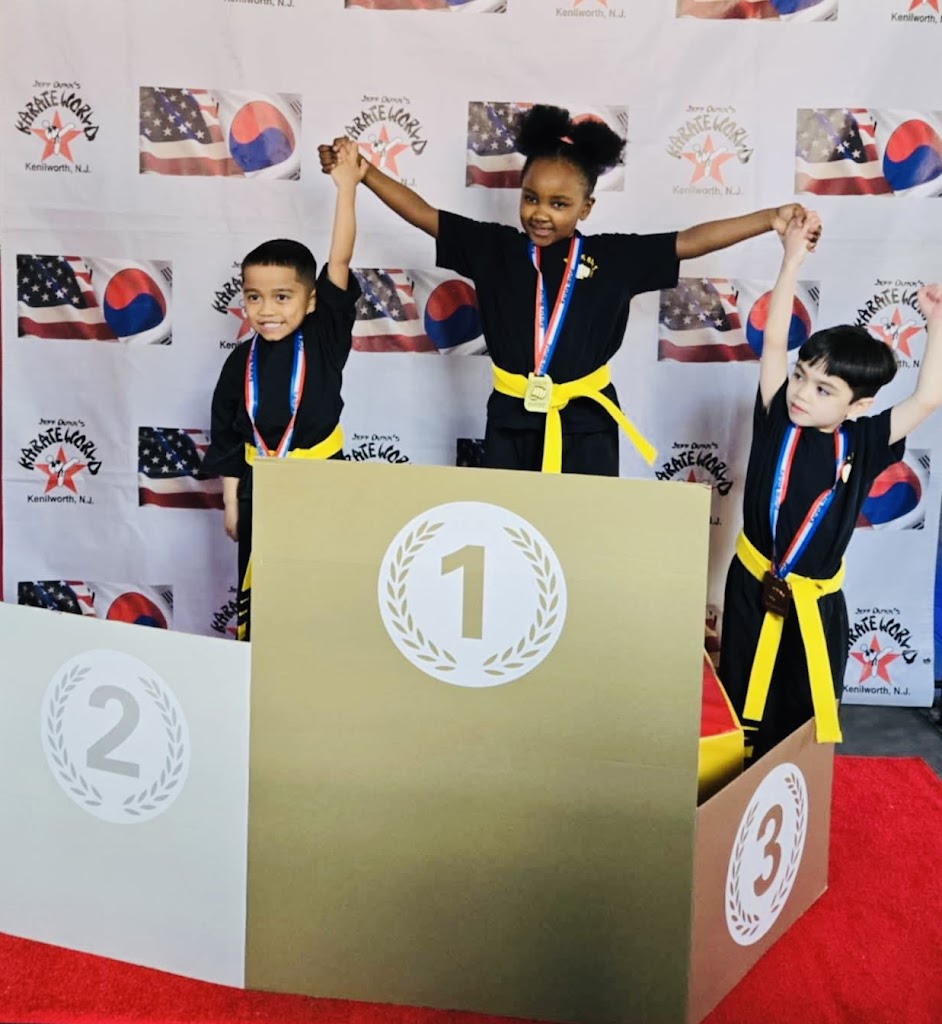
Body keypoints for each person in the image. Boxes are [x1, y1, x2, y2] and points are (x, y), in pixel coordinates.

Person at [318, 104, 808, 475]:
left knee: (581, 544)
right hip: (510, 420)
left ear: (586, 208)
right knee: (510, 537)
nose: (540, 213)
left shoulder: (615, 258)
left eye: (559, 203)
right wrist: (365, 173)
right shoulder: (493, 248)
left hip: (587, 426)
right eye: (531, 198)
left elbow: (690, 240)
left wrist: (769, 218)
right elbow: (425, 215)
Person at [719, 210, 942, 759]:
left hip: (815, 603)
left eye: (824, 390)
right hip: (751, 586)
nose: (801, 393)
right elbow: (774, 345)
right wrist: (792, 259)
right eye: (802, 376)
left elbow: (926, 399)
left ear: (857, 406)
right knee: (739, 695)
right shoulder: (777, 415)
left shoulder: (865, 440)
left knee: (802, 710)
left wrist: (937, 325)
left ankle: (796, 783)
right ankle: (732, 788)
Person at [202, 139, 365, 641]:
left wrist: (346, 189)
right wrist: (233, 502)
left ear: (311, 301)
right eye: (254, 297)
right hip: (260, 488)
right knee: (263, 595)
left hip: (323, 483)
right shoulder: (240, 362)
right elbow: (228, 437)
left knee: (318, 587)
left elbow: (339, 260)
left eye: (281, 296)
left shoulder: (324, 336)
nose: (266, 310)